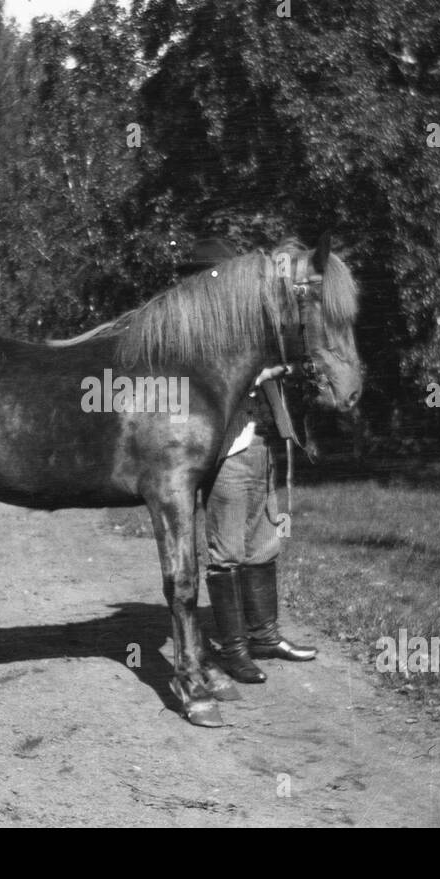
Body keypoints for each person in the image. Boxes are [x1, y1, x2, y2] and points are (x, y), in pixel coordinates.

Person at [176, 238, 318, 684]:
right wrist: (266, 370)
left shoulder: (243, 325)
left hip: (259, 445)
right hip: (229, 451)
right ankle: (234, 649)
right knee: (227, 554)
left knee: (263, 546)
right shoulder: (196, 332)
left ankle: (265, 635)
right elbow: (212, 387)